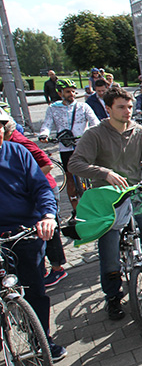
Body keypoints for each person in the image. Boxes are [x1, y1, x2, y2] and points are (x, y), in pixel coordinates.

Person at [68, 87, 142, 321]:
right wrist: (104, 173)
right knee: (109, 250)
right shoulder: (95, 134)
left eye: (129, 107)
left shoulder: (138, 131)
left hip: (134, 193)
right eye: (121, 107)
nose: (127, 111)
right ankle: (113, 297)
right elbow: (75, 164)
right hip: (107, 199)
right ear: (108, 109)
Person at [0, 108, 67, 360]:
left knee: (35, 290)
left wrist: (47, 216)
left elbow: (41, 187)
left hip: (23, 231)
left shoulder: (17, 152)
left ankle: (42, 340)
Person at [4, 118, 67, 287]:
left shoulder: (19, 145)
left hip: (42, 192)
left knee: (49, 233)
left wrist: (25, 183)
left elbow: (47, 165)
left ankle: (57, 268)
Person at [39, 79, 100, 214]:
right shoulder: (53, 108)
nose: (71, 94)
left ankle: (96, 202)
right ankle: (76, 210)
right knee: (70, 176)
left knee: (91, 172)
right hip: (65, 146)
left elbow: (94, 122)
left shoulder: (83, 107)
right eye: (68, 92)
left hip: (83, 144)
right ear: (60, 93)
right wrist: (44, 135)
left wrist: (95, 133)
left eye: (73, 91)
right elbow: (47, 124)